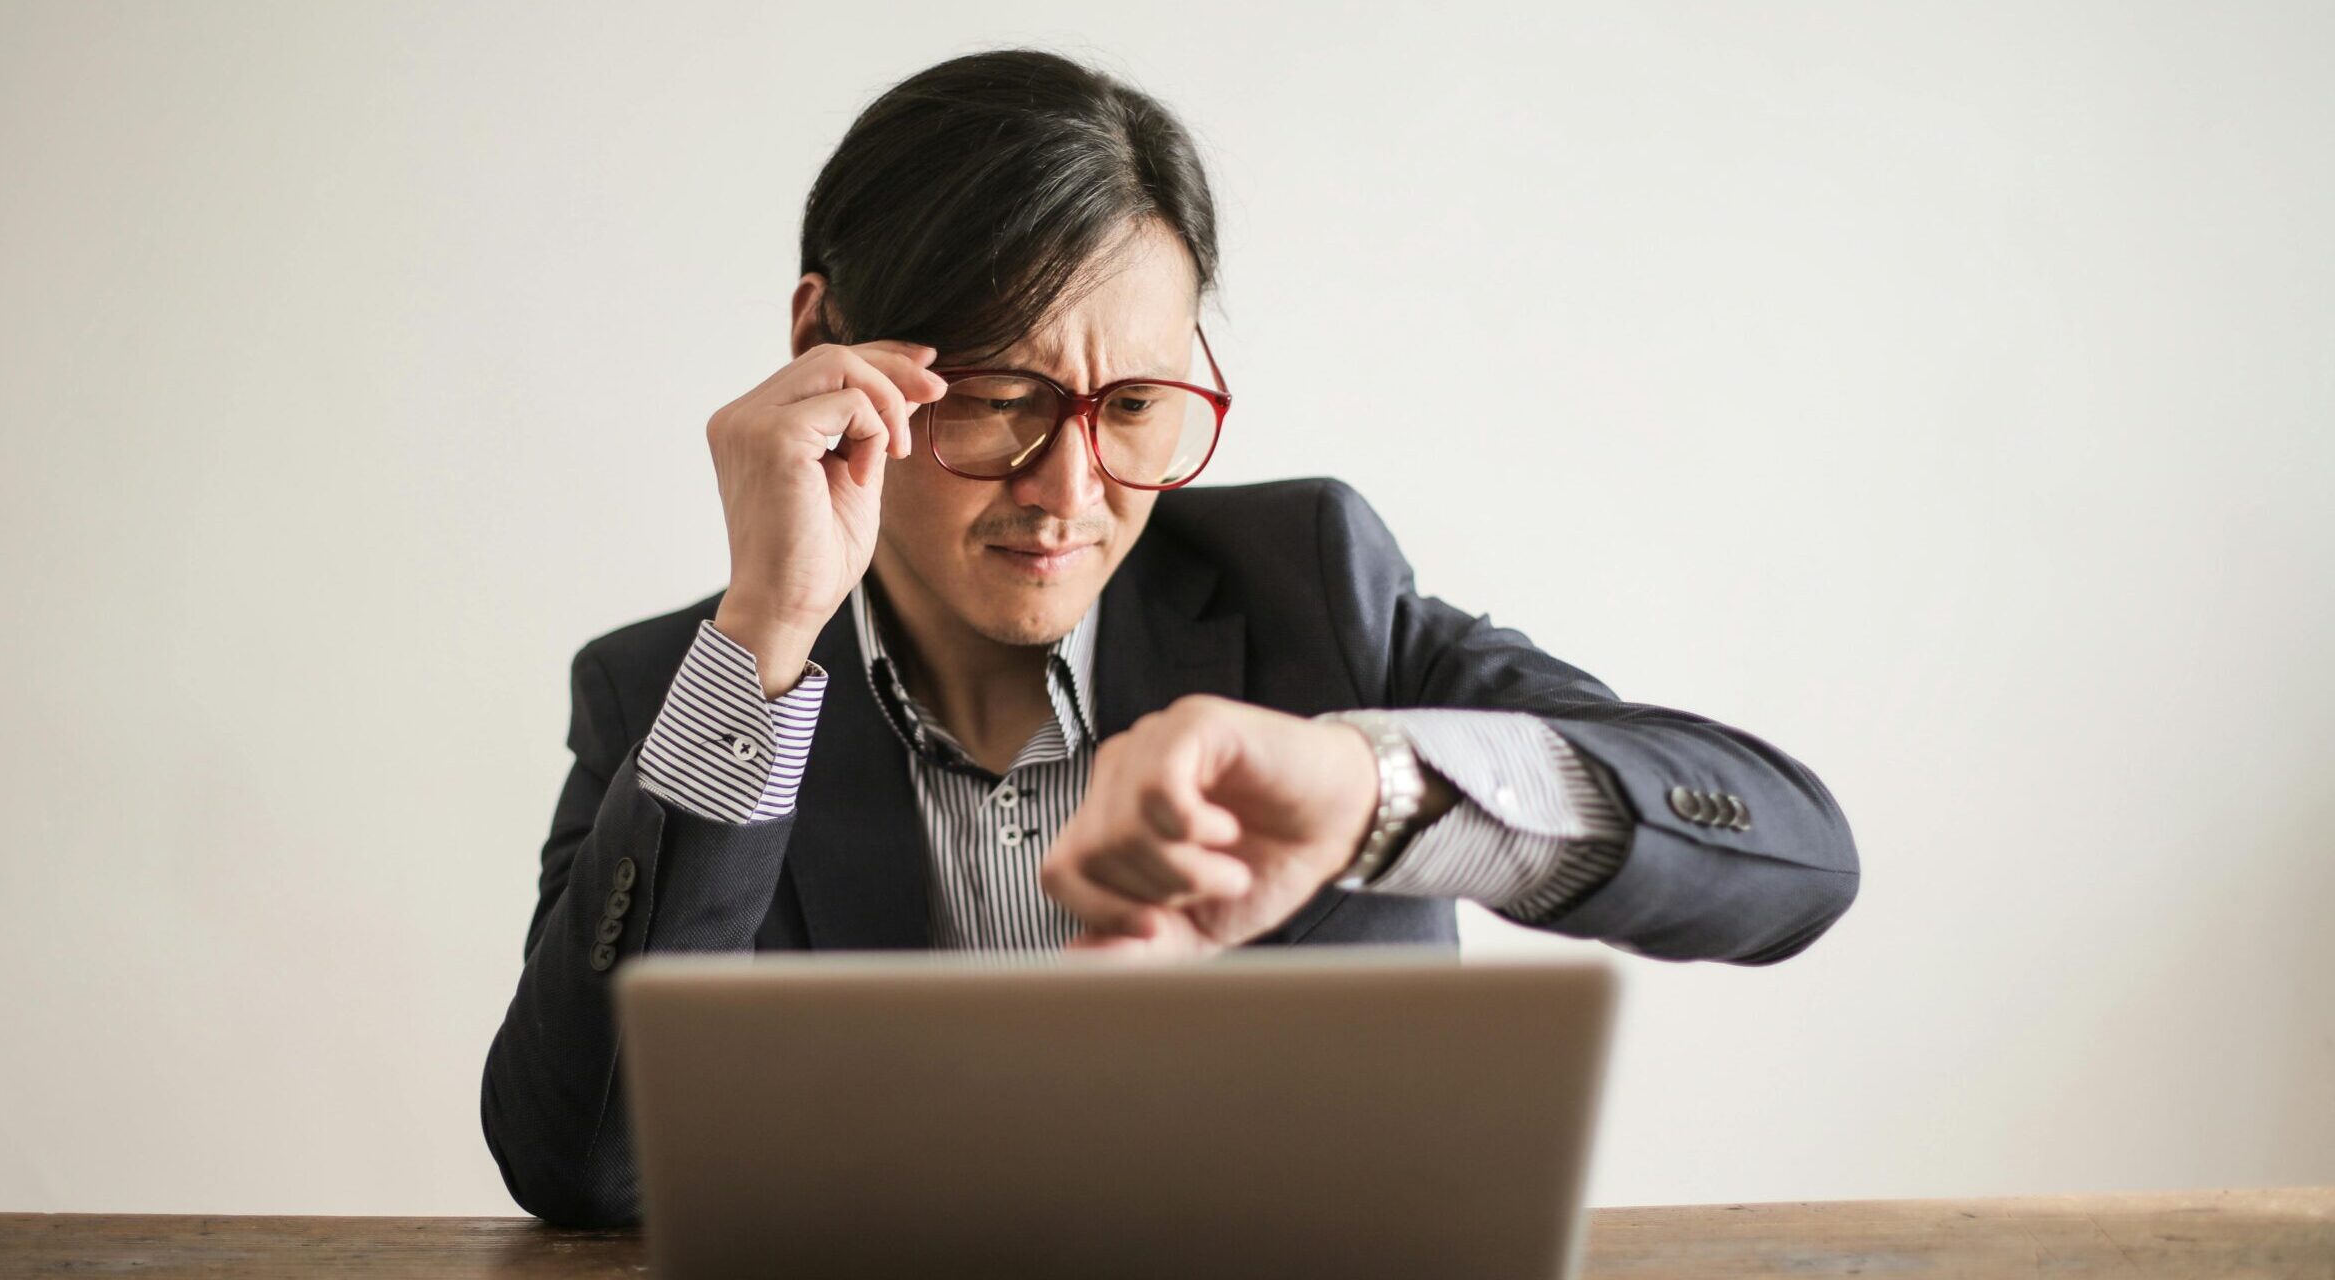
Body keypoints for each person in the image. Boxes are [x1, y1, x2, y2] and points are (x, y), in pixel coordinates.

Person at [480, 47, 1858, 1228]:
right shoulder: (678, 692)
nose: (1069, 495)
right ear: (824, 350)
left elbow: (1789, 856)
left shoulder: (1312, 591)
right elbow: (582, 1165)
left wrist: (1377, 797)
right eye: (999, 398)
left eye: (1136, 406)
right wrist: (769, 639)